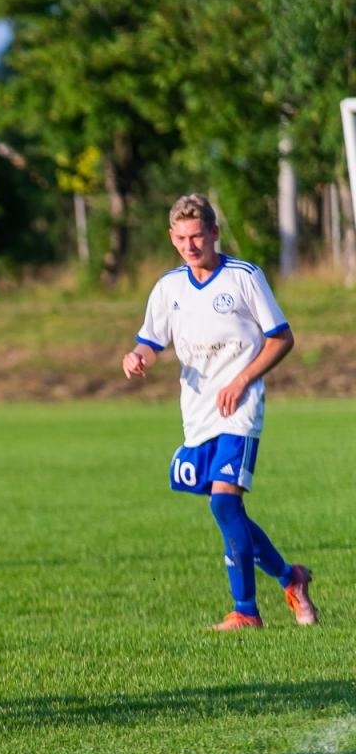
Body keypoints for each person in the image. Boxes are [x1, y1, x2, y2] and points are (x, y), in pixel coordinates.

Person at [122, 193, 316, 631]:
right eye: (181, 238)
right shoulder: (168, 288)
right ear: (172, 238)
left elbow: (281, 338)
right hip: (197, 414)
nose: (190, 246)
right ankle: (291, 577)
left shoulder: (244, 277)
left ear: (214, 233)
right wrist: (135, 358)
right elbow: (150, 343)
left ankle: (245, 611)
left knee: (225, 504)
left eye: (198, 236)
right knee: (228, 512)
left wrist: (242, 379)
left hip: (240, 407)